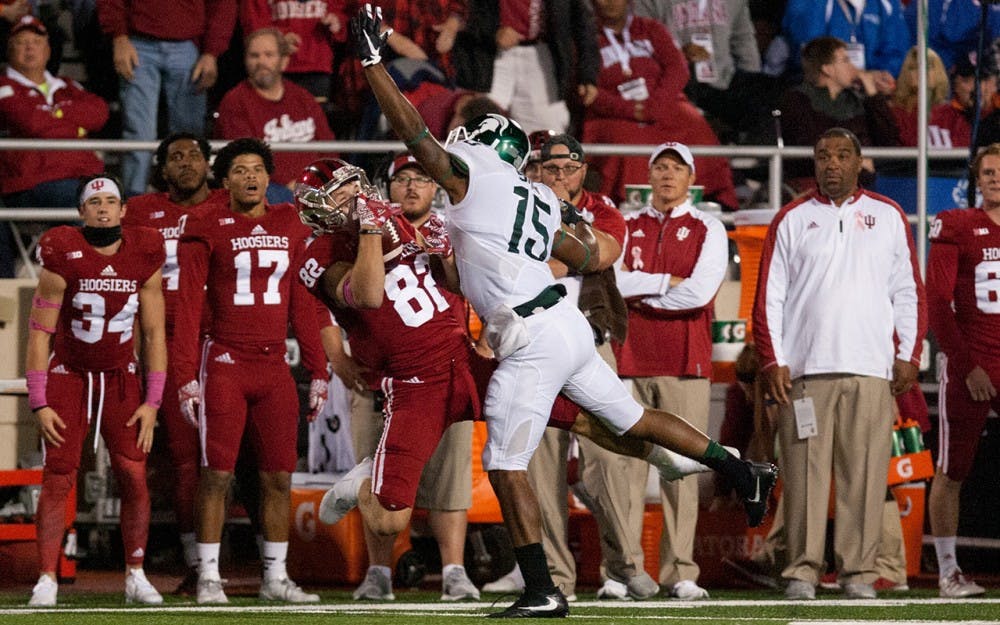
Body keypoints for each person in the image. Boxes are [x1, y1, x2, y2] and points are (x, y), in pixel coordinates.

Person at [351, 4, 777, 616]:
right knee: (629, 420)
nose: (455, 146)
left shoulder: (473, 173)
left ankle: (544, 589)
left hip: (530, 333)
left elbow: (413, 132)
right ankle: (742, 471)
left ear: (482, 147)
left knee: (505, 462)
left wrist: (372, 64)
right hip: (566, 323)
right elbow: (581, 254)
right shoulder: (539, 196)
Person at [752, 127, 927, 600]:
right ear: (813, 163)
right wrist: (773, 359)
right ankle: (802, 571)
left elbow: (908, 290)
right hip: (806, 371)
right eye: (823, 155)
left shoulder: (888, 216)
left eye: (842, 155)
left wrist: (909, 354)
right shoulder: (790, 218)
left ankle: (859, 573)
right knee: (804, 476)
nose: (832, 163)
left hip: (872, 368)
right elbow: (769, 295)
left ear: (859, 162)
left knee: (866, 476)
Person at [171, 138, 329, 604]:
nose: (249, 177)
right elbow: (186, 304)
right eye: (239, 169)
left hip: (274, 364)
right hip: (224, 362)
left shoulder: (289, 222)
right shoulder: (207, 226)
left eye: (257, 168)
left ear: (269, 176)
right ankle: (208, 577)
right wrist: (185, 376)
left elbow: (303, 300)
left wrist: (318, 368)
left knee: (279, 477)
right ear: (224, 180)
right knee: (217, 475)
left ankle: (275, 577)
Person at [25, 174, 166, 607]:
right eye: (94, 202)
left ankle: (136, 572)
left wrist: (153, 401)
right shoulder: (62, 250)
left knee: (133, 472)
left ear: (124, 210)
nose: (103, 208)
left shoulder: (145, 251)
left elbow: (155, 332)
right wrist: (39, 400)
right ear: (81, 212)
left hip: (120, 375)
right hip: (70, 374)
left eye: (111, 201)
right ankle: (47, 576)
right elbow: (38, 333)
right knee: (58, 476)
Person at [530, 133, 659, 601]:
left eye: (567, 169)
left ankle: (624, 563)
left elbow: (598, 254)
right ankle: (555, 578)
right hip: (532, 344)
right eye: (550, 169)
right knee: (539, 466)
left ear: (583, 170)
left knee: (608, 458)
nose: (559, 177)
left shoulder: (602, 208)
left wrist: (562, 221)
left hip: (587, 342)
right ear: (538, 171)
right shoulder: (522, 203)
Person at [614, 141, 728, 600]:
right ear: (649, 176)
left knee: (683, 467)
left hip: (686, 361)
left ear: (690, 179)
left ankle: (680, 569)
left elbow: (699, 294)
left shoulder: (710, 228)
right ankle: (623, 569)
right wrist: (662, 284)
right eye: (659, 167)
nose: (666, 175)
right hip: (629, 360)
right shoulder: (624, 225)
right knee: (625, 469)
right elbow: (612, 281)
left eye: (676, 168)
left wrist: (640, 296)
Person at [122, 133, 228, 593]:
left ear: (209, 164)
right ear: (162, 169)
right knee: (183, 458)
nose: (185, 163)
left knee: (232, 459)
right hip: (164, 340)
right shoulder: (142, 211)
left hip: (224, 338)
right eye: (175, 157)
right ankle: (195, 561)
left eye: (194, 155)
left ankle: (265, 563)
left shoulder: (230, 202)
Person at [925, 143, 1000, 599]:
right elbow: (937, 301)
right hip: (972, 361)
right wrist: (966, 364)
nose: (994, 177)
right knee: (952, 470)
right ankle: (949, 571)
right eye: (987, 171)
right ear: (976, 178)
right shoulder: (957, 225)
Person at [584, 0, 737, 208]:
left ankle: (714, 201)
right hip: (614, 113)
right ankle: (629, 206)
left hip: (661, 104)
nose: (611, 3)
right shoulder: (586, 36)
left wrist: (653, 107)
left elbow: (677, 69)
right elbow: (588, 91)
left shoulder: (650, 28)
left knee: (695, 124)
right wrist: (632, 110)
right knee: (626, 140)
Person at [0, 14, 109, 278]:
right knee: (93, 205)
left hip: (81, 177)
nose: (29, 48)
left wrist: (53, 117)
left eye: (36, 42)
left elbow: (99, 114)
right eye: (21, 42)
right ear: (9, 50)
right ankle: (94, 279)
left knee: (130, 203)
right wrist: (72, 123)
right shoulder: (3, 86)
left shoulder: (69, 85)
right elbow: (30, 123)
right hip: (29, 184)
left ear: (48, 50)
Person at [97, 1, 236, 196]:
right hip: (137, 41)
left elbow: (222, 6)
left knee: (189, 137)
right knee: (139, 133)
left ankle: (190, 199)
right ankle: (134, 206)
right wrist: (119, 36)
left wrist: (212, 52)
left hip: (187, 44)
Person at [214, 27, 338, 204]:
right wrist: (293, 188)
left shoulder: (303, 97)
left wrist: (311, 182)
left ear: (284, 61)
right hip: (269, 192)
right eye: (254, 56)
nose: (261, 62)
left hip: (314, 187)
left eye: (269, 55)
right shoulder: (235, 101)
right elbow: (244, 161)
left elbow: (329, 148)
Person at [631, 0, 779, 144]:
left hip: (723, 84)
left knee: (767, 95)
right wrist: (677, 56)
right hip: (677, 85)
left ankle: (752, 157)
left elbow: (743, 41)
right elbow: (639, 43)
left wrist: (752, 86)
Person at [778, 36, 899, 193]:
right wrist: (853, 162)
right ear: (827, 69)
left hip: (863, 185)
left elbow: (889, 139)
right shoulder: (797, 101)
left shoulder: (858, 101)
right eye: (845, 61)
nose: (853, 67)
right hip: (815, 186)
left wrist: (873, 95)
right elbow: (807, 146)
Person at [240, 0, 349, 98]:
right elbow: (253, 22)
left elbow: (344, 10)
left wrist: (337, 21)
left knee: (313, 117)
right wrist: (275, 40)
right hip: (274, 68)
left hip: (317, 67)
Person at [782, 0, 909, 77]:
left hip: (871, 88)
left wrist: (883, 75)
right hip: (824, 91)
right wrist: (855, 75)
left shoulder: (886, 3)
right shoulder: (810, 3)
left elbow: (896, 50)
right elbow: (811, 52)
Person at [928, 55, 999, 149]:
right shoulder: (939, 119)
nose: (977, 87)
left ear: (995, 84)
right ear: (955, 86)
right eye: (967, 81)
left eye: (983, 79)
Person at [889, 47, 950, 148]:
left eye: (928, 67)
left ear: (938, 72)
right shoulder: (896, 114)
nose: (921, 72)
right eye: (914, 68)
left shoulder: (952, 114)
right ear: (906, 75)